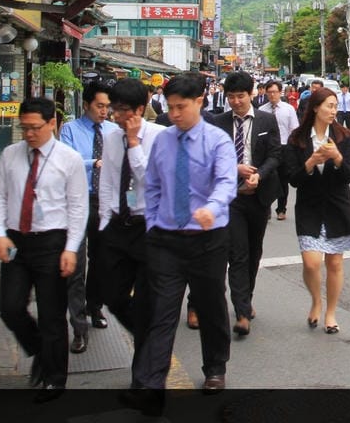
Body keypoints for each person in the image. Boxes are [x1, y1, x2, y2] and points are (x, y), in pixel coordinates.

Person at [132, 72, 237, 395]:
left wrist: (212, 208)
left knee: (210, 306)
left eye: (181, 107)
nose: (174, 114)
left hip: (207, 238)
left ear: (199, 102)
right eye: (170, 107)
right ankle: (151, 381)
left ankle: (215, 368)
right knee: (161, 311)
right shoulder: (163, 140)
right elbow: (152, 185)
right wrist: (152, 222)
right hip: (166, 239)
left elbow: (227, 182)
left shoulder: (217, 140)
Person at [0, 97, 87, 403]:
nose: (29, 134)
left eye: (35, 127)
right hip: (16, 242)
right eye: (24, 128)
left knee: (51, 315)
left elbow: (78, 207)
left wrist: (71, 248)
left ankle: (54, 379)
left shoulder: (69, 159)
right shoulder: (10, 155)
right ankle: (41, 350)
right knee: (10, 307)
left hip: (52, 243)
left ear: (52, 123)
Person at [97, 79, 164, 379]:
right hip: (117, 226)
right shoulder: (111, 136)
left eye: (122, 109)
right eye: (114, 108)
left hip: (148, 227)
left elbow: (152, 182)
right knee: (112, 296)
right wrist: (104, 222)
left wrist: (135, 144)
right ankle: (150, 338)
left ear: (139, 109)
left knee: (147, 304)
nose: (115, 115)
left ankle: (142, 376)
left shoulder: (160, 137)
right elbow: (108, 181)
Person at [208, 72, 282, 337]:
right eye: (231, 97)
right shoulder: (218, 122)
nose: (236, 102)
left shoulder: (266, 120)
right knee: (237, 253)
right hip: (231, 198)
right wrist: (234, 168)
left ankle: (246, 299)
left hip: (259, 195)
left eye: (240, 96)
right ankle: (241, 312)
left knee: (254, 251)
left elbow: (275, 155)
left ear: (251, 93)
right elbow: (212, 159)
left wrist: (258, 175)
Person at [285, 88, 350, 335]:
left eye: (335, 106)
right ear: (316, 107)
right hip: (310, 207)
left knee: (334, 263)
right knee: (311, 262)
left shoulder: (343, 136)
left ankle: (331, 313)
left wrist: (337, 157)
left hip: (337, 207)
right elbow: (292, 179)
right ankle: (316, 300)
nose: (333, 111)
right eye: (329, 106)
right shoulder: (297, 139)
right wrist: (311, 162)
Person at [60, 81, 119, 352]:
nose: (104, 111)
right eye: (99, 106)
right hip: (77, 201)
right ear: (86, 105)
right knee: (76, 264)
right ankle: (78, 325)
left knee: (102, 260)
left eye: (107, 107)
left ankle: (95, 306)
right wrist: (92, 163)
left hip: (104, 202)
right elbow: (66, 162)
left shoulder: (114, 131)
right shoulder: (70, 130)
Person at [259, 79, 299, 221]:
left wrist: (293, 149)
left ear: (280, 92)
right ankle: (266, 208)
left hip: (284, 147)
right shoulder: (262, 110)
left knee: (283, 180)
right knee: (266, 179)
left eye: (274, 92)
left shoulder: (288, 109)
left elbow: (294, 130)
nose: (272, 95)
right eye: (269, 92)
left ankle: (281, 209)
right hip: (267, 149)